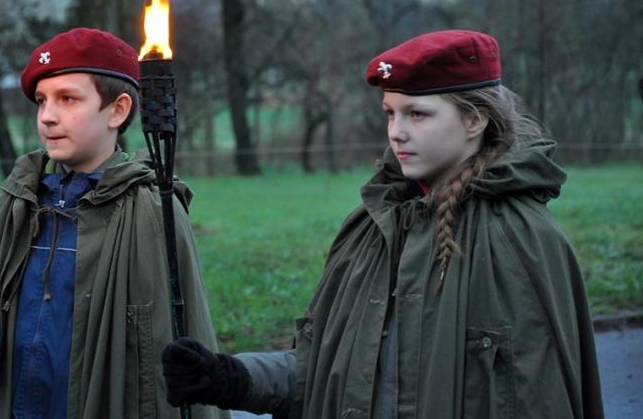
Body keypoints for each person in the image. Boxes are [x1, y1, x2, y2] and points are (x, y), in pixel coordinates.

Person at [161, 30, 605, 419]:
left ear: (475, 119)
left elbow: (537, 397)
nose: (396, 132)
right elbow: (323, 370)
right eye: (390, 113)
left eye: (417, 114)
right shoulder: (371, 228)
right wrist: (232, 377)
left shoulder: (520, 237)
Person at [0, 27, 227, 419]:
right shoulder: (16, 204)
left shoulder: (151, 210)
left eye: (68, 99)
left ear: (118, 110)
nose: (47, 116)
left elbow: (170, 341)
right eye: (42, 101)